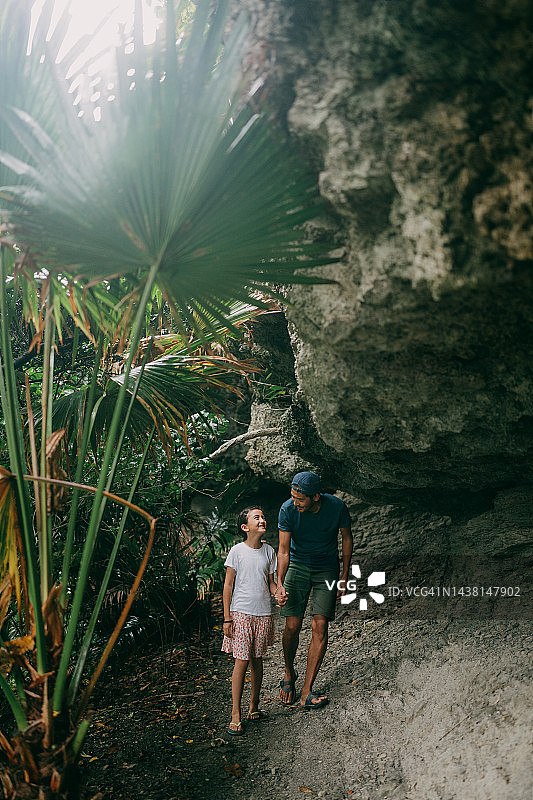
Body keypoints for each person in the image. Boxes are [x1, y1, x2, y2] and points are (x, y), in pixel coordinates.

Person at [276, 471, 352, 709]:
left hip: (326, 568)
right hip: (297, 566)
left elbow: (347, 538)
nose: (295, 502)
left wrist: (344, 575)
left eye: (300, 499)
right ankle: (289, 672)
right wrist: (280, 582)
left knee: (320, 624)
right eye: (293, 496)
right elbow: (283, 550)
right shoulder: (287, 510)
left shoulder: (337, 507)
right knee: (292, 626)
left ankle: (307, 690)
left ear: (316, 497)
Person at [222, 506, 280, 735]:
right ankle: (235, 713)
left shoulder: (269, 552)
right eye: (257, 518)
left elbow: (271, 583)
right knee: (241, 662)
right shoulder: (236, 551)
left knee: (257, 659)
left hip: (264, 612)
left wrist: (279, 593)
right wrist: (227, 618)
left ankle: (254, 705)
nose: (262, 520)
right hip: (241, 613)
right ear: (245, 527)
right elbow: (228, 586)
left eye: (264, 517)